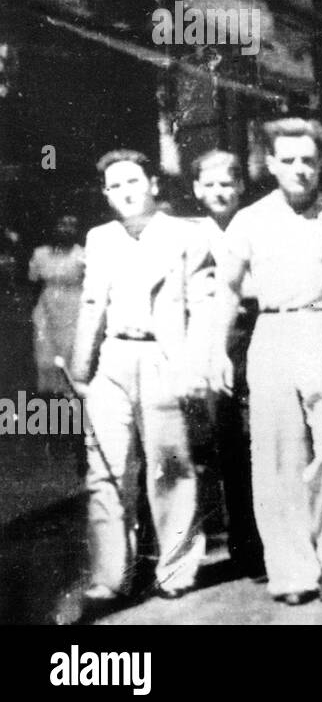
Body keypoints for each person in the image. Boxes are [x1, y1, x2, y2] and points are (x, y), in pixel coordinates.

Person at [213, 118, 322, 604]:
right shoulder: (250, 220)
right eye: (288, 160)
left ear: (321, 163)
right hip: (272, 333)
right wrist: (215, 351)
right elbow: (226, 289)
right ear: (270, 164)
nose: (299, 169)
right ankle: (291, 571)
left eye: (308, 160)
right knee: (276, 459)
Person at [69, 150, 212, 603]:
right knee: (105, 470)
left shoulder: (185, 235)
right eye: (114, 186)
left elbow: (204, 307)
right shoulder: (100, 238)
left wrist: (193, 365)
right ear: (106, 195)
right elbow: (91, 305)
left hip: (163, 360)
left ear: (152, 184)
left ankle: (175, 567)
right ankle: (110, 574)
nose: (125, 193)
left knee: (169, 466)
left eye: (133, 182)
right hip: (112, 359)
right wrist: (80, 370)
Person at [188, 150, 262, 576]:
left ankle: (276, 533)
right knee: (228, 440)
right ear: (197, 189)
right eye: (210, 185)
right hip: (216, 338)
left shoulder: (254, 224)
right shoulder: (192, 234)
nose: (219, 192)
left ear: (240, 188)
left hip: (257, 330)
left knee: (266, 435)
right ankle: (244, 542)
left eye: (227, 184)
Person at [29, 214, 85, 396]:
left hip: (74, 309)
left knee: (69, 355)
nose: (66, 228)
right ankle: (47, 401)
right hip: (46, 309)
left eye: (72, 225)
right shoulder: (40, 254)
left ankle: (69, 402)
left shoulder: (82, 254)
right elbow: (33, 282)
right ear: (53, 227)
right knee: (45, 358)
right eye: (62, 223)